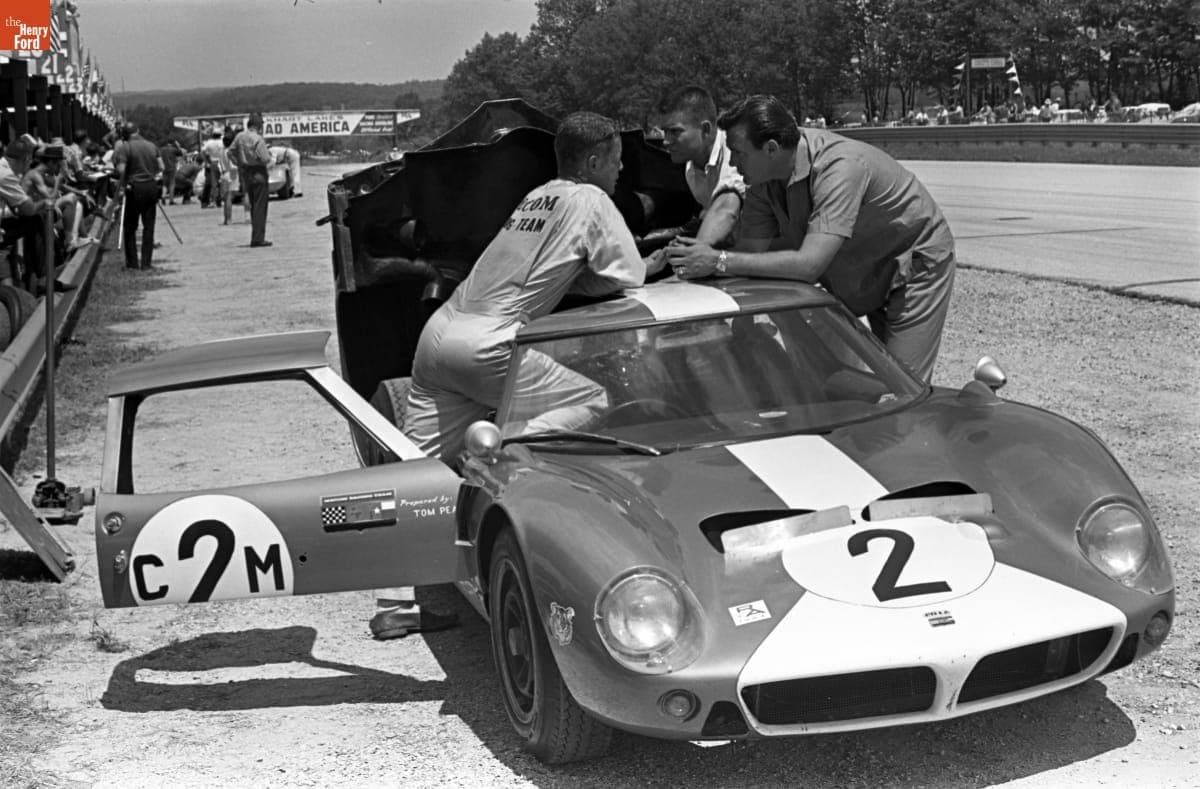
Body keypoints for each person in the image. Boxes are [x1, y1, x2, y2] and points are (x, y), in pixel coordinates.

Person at [370, 112, 665, 640]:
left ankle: (396, 604)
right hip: (491, 342)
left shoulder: (538, 196)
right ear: (594, 160)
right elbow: (629, 276)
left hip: (439, 336)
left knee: (412, 473)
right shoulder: (591, 200)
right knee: (591, 398)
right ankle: (494, 464)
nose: (621, 171)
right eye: (617, 160)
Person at [665, 94, 956, 382]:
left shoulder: (840, 168)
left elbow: (809, 265)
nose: (734, 162)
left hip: (912, 266)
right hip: (860, 269)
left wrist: (717, 260)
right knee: (843, 379)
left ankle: (963, 402)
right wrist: (742, 324)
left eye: (739, 153)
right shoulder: (760, 181)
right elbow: (751, 256)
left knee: (903, 385)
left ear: (771, 149)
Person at [657, 85, 746, 249]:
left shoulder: (734, 150)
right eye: (664, 131)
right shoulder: (691, 169)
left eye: (675, 131)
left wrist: (693, 255)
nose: (666, 141)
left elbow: (726, 208)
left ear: (705, 129)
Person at [0, 137, 56, 290]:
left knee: (31, 222)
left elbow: (18, 208)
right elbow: (28, 208)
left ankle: (38, 276)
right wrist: (44, 203)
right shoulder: (5, 175)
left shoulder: (4, 169)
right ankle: (44, 278)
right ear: (25, 159)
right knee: (34, 219)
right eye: (30, 159)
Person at [113, 122, 164, 271]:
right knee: (149, 226)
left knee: (130, 226)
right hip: (151, 185)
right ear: (138, 130)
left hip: (134, 187)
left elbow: (121, 170)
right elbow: (161, 167)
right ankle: (146, 263)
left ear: (124, 134)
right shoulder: (151, 145)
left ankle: (132, 263)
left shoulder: (125, 147)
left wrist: (123, 181)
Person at [229, 113, 274, 247]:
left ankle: (256, 236)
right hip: (258, 172)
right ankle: (258, 238)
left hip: (246, 172)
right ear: (258, 125)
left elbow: (230, 152)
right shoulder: (257, 139)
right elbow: (265, 159)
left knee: (254, 205)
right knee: (260, 206)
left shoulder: (240, 136)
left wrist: (238, 163)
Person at [200, 129, 225, 208]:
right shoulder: (222, 142)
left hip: (213, 162)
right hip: (222, 162)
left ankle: (213, 201)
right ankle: (221, 200)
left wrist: (206, 161)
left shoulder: (209, 142)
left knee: (214, 183)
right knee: (223, 182)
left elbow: (203, 152)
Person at [159, 138, 183, 205]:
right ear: (172, 143)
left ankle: (163, 196)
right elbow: (181, 153)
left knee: (164, 184)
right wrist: (178, 146)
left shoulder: (162, 149)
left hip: (164, 168)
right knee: (172, 184)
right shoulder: (173, 149)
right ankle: (171, 200)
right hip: (172, 168)